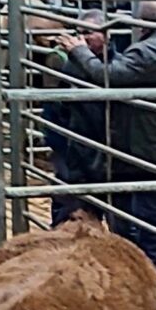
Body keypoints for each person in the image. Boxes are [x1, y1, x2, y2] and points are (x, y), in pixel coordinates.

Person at [58, 0, 156, 310]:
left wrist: (77, 51)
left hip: (153, 156)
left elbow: (107, 77)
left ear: (140, 25)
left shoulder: (145, 52)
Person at [41, 12, 112, 226]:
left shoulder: (117, 66)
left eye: (88, 33)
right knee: (69, 216)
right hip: (75, 155)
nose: (83, 39)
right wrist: (63, 151)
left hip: (109, 157)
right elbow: (53, 113)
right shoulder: (65, 64)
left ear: (106, 35)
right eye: (79, 33)